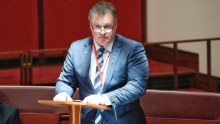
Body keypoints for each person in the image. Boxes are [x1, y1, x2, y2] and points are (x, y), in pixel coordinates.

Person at [53, 1, 149, 124]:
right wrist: (63, 92)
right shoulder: (77, 48)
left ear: (115, 25)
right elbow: (65, 80)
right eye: (97, 27)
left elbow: (137, 85)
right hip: (88, 120)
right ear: (90, 26)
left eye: (107, 26)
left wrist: (104, 98)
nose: (102, 32)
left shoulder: (132, 49)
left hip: (121, 120)